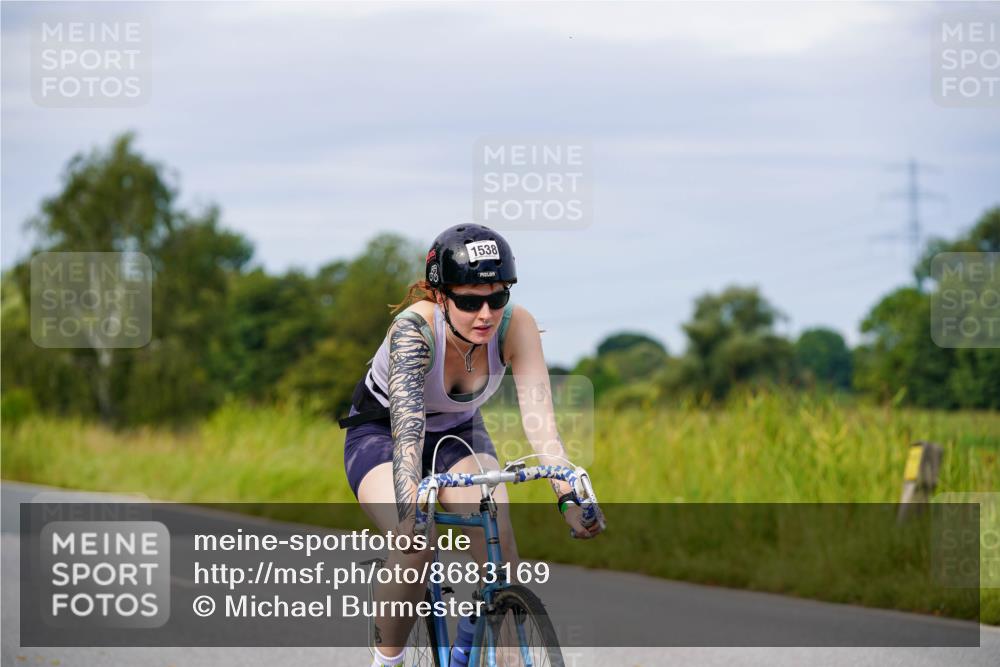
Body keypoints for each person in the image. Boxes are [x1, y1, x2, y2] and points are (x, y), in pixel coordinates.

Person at [340, 223, 603, 667]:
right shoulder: (413, 330)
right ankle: (387, 660)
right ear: (440, 297)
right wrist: (412, 515)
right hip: (385, 435)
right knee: (414, 545)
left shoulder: (516, 325)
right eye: (468, 301)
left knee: (501, 548)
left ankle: (495, 645)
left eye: (497, 297)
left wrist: (568, 497)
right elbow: (408, 437)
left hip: (458, 433)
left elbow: (542, 426)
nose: (485, 314)